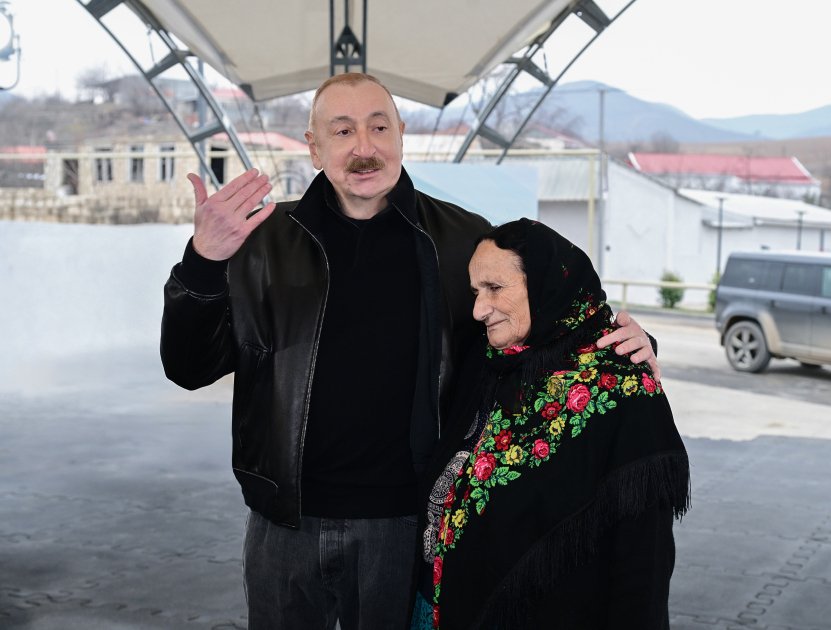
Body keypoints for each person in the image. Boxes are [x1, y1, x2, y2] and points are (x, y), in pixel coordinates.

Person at [160, 73, 659, 630]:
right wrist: (202, 262)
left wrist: (622, 345)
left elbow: (538, 326)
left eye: (379, 128)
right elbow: (188, 368)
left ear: (401, 134)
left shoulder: (461, 240)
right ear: (314, 147)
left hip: (406, 523)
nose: (364, 147)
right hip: (283, 524)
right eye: (342, 131)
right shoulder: (261, 241)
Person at [413, 219, 689, 630]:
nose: (478, 309)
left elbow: (642, 563)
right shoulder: (491, 361)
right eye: (475, 292)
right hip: (438, 607)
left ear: (546, 285)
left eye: (495, 288)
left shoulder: (622, 390)